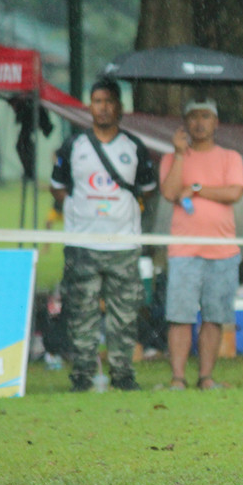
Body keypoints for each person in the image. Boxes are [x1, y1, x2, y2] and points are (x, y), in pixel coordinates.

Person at [50, 78, 157, 392]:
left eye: (109, 101)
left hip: (123, 245)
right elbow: (57, 186)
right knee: (80, 312)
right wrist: (77, 208)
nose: (104, 107)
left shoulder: (134, 147)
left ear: (120, 107)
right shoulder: (73, 146)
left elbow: (147, 191)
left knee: (124, 315)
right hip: (82, 244)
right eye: (97, 101)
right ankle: (82, 376)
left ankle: (123, 375)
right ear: (90, 106)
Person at [159, 98, 243, 390]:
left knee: (215, 316)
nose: (199, 122)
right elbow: (170, 192)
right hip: (183, 251)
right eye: (193, 117)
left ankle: (206, 377)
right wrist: (180, 155)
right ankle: (178, 378)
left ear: (216, 122)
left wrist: (196, 188)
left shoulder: (230, 157)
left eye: (205, 116)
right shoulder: (171, 158)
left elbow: (234, 193)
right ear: (185, 123)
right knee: (180, 315)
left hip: (223, 251)